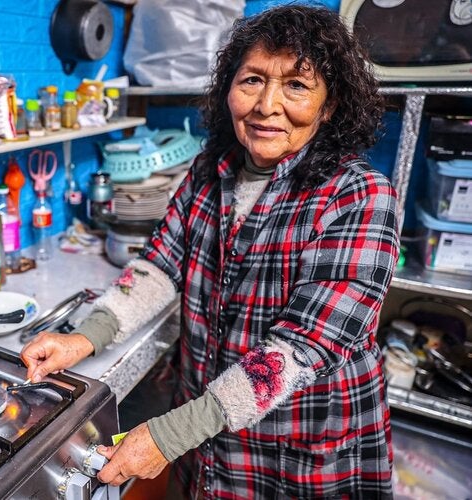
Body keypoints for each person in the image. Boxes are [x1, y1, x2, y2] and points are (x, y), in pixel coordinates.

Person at [20, 5, 399, 498]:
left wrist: (170, 433)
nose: (266, 105)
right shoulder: (208, 170)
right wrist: (83, 339)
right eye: (252, 80)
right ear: (228, 89)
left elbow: (303, 348)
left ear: (329, 106)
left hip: (302, 440)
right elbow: (160, 266)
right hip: (210, 427)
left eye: (296, 86)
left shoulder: (361, 195)